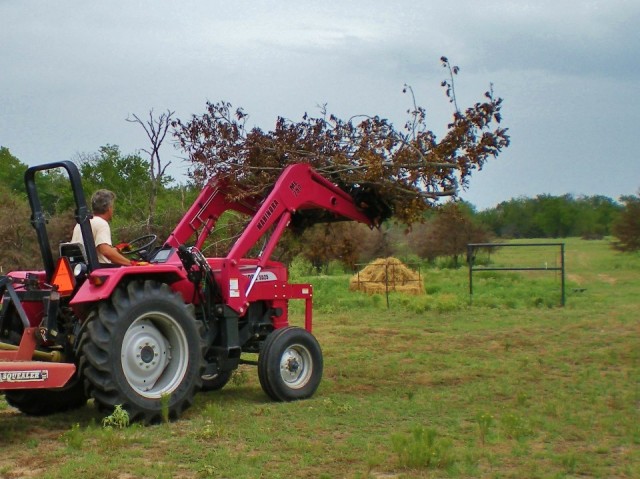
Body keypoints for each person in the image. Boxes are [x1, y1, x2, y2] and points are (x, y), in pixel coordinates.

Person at [71, 189, 133, 266]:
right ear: (109, 208)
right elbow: (106, 251)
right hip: (100, 270)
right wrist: (131, 264)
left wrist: (117, 249)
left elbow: (95, 251)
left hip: (83, 268)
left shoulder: (81, 224)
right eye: (112, 206)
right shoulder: (101, 224)